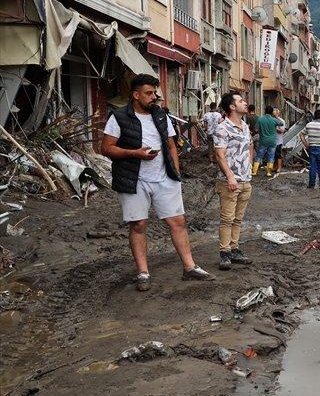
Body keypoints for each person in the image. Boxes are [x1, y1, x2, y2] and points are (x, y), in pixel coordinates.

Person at [100, 74, 214, 290]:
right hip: (133, 179)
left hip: (165, 178)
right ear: (135, 95)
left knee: (177, 221)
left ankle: (189, 267)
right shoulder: (119, 117)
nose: (154, 97)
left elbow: (171, 146)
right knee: (138, 224)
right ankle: (143, 273)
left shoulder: (161, 115)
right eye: (149, 93)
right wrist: (134, 153)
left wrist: (176, 173)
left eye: (155, 93)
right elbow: (106, 148)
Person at [212, 90, 255, 271]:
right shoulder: (222, 127)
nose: (245, 103)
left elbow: (250, 145)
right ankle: (225, 253)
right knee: (227, 219)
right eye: (241, 101)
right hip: (229, 181)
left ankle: (235, 248)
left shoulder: (244, 126)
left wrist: (250, 166)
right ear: (232, 106)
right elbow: (219, 155)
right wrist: (230, 176)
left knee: (238, 218)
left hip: (245, 180)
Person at [253, 105, 283, 177]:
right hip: (272, 141)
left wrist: (260, 130)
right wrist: (275, 117)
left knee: (259, 155)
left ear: (265, 111)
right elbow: (281, 123)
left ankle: (254, 171)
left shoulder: (260, 119)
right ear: (272, 112)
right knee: (271, 156)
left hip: (263, 141)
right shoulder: (274, 119)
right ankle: (268, 172)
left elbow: (256, 129)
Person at [271, 106, 287, 176]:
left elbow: (282, 131)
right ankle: (274, 166)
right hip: (271, 140)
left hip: (278, 141)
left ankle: (279, 167)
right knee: (272, 154)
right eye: (273, 111)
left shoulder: (281, 121)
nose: (274, 113)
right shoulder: (270, 120)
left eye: (276, 111)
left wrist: (274, 128)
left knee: (278, 154)